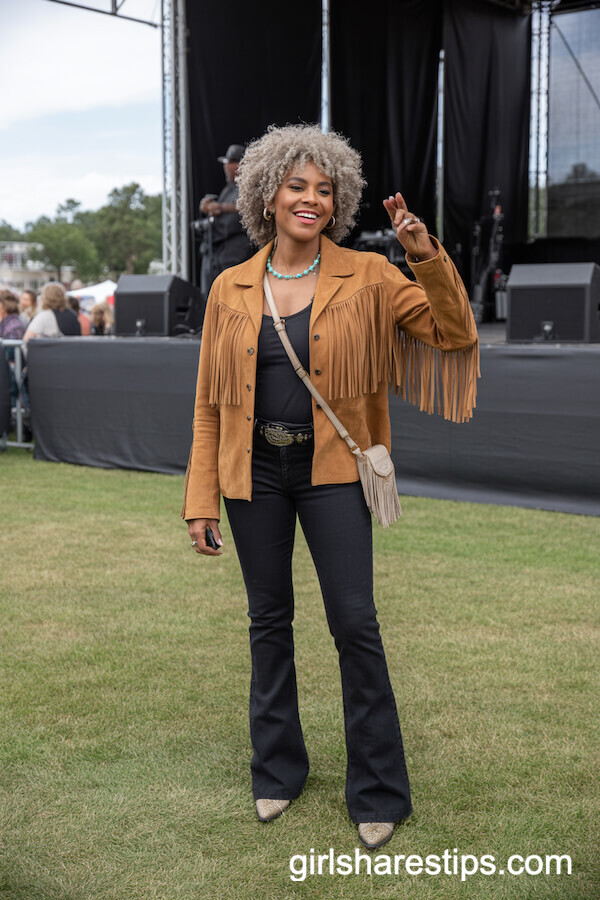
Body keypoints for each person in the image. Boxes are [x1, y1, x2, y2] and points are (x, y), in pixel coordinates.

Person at [182, 124, 479, 851]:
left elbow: (453, 333)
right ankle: (278, 771)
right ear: (267, 195)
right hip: (252, 474)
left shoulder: (370, 274)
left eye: (324, 189)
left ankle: (378, 791)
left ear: (338, 201)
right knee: (267, 621)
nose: (310, 198)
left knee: (354, 623)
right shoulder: (229, 287)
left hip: (334, 473)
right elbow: (210, 403)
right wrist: (199, 500)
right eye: (297, 186)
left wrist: (423, 255)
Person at [198, 143, 254, 295]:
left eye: (228, 163)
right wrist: (208, 207)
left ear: (238, 165)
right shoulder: (229, 188)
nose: (225, 167)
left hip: (235, 250)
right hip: (216, 251)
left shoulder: (249, 185)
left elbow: (245, 206)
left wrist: (220, 207)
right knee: (211, 295)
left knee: (232, 295)